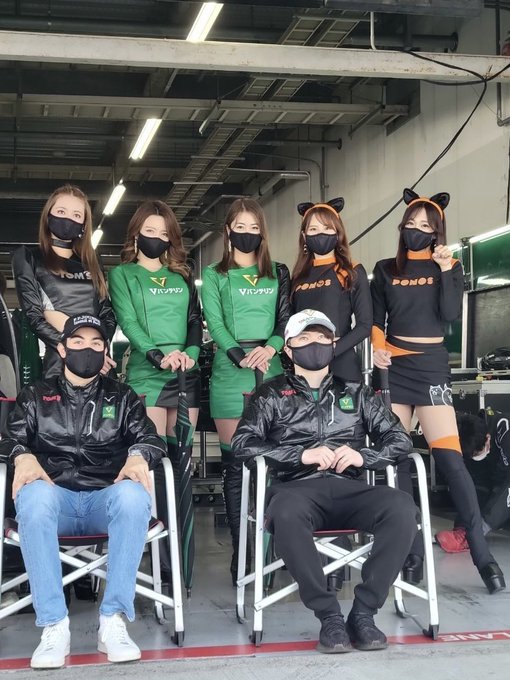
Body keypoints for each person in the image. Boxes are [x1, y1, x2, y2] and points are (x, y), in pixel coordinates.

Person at [232, 309, 416, 653]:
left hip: (349, 489)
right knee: (285, 512)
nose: (314, 345)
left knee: (401, 507)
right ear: (288, 349)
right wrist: (300, 455)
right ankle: (329, 616)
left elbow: (400, 439)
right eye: (304, 338)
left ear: (333, 346)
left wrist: (364, 457)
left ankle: (363, 613)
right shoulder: (270, 395)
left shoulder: (358, 393)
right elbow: (243, 444)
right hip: (295, 490)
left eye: (321, 338)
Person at [0, 314, 166, 669]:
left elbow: (151, 438)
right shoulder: (35, 396)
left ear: (105, 351)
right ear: (61, 348)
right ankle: (54, 626)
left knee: (134, 495)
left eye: (95, 343)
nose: (86, 349)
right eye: (77, 342)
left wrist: (139, 454)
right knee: (32, 494)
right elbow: (8, 438)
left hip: (103, 499)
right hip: (53, 498)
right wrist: (21, 454)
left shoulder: (122, 397)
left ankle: (113, 621)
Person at [370, 187, 505, 593]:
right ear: (402, 227)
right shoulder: (385, 269)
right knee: (395, 461)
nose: (417, 229)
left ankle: (483, 556)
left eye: (425, 225)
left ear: (437, 231)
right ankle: (410, 551)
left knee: (450, 460)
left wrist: (447, 269)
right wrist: (377, 346)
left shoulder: (449, 265)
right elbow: (376, 318)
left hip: (431, 369)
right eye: (411, 223)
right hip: (394, 370)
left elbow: (449, 314)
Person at [108, 200, 202, 574]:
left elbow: (194, 319)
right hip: (148, 373)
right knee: (151, 463)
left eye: (164, 233)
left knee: (181, 465)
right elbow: (128, 321)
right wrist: (156, 356)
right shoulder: (123, 275)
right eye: (150, 231)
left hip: (186, 373)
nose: (157, 238)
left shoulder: (181, 274)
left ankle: (181, 559)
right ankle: (154, 556)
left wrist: (190, 353)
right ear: (136, 234)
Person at [201, 198, 290, 584]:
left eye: (254, 227)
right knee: (236, 465)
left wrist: (270, 348)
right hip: (229, 370)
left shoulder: (278, 271)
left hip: (271, 369)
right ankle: (243, 553)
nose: (247, 233)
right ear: (228, 231)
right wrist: (239, 356)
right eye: (240, 226)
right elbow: (215, 322)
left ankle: (275, 547)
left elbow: (285, 318)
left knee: (274, 463)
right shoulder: (214, 275)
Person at [12, 185, 117, 378]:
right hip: (59, 364)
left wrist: (98, 349)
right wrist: (76, 350)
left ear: (84, 224)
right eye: (61, 211)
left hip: (100, 364)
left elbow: (107, 314)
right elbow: (35, 317)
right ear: (48, 215)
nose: (69, 219)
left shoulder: (93, 260)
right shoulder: (28, 257)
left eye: (77, 215)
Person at [291, 198, 372, 382]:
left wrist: (331, 350)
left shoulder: (351, 270)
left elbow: (365, 325)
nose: (321, 233)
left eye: (327, 228)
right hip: (304, 364)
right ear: (304, 235)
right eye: (313, 229)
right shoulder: (297, 276)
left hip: (341, 363)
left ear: (338, 232)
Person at [436, 408, 510, 550]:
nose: (476, 456)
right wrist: (463, 523)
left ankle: (474, 536)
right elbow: (478, 483)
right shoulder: (472, 432)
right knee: (475, 480)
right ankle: (464, 530)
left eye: (477, 453)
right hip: (501, 481)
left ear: (488, 438)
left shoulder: (505, 429)